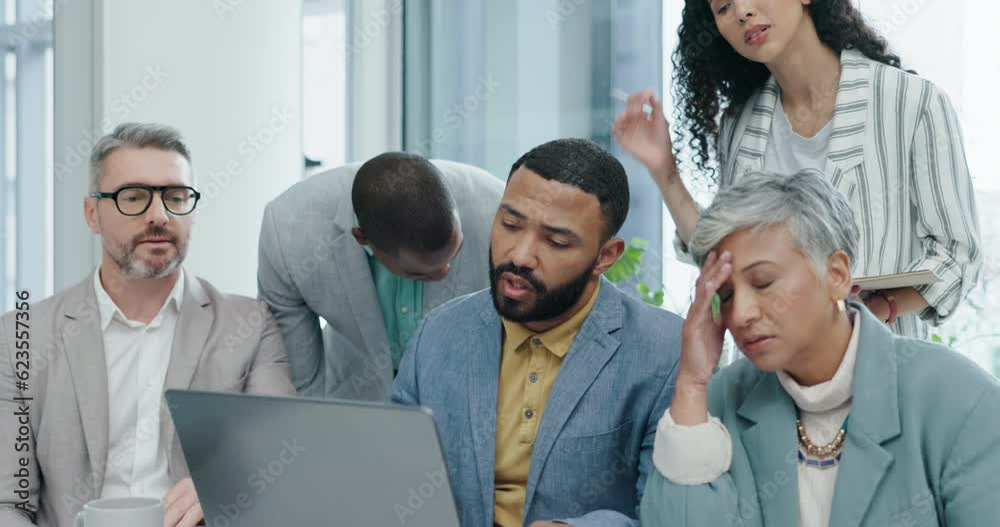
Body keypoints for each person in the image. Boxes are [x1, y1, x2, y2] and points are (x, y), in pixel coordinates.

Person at [639, 170, 1000, 526]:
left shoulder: (960, 399)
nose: (742, 313)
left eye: (763, 282)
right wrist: (691, 386)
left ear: (837, 275)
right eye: (726, 295)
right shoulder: (715, 405)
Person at [614, 0, 982, 338]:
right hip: (767, 369)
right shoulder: (739, 126)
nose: (742, 11)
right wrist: (665, 170)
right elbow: (722, 257)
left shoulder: (912, 103)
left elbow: (958, 256)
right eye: (723, 7)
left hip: (879, 361)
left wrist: (876, 310)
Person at [0, 123, 295, 527]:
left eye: (176, 197)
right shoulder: (20, 336)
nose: (159, 215)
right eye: (133, 197)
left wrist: (225, 486)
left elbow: (281, 464)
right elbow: (7, 502)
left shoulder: (250, 326)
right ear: (92, 214)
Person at [392, 139, 683, 526]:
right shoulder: (438, 334)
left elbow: (674, 516)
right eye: (510, 225)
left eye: (556, 242)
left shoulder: (665, 352)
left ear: (606, 256)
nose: (519, 255)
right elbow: (394, 481)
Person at [258, 153, 503, 400]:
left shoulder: (497, 211)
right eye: (419, 273)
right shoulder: (289, 234)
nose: (444, 272)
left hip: (469, 391)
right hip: (356, 390)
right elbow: (297, 381)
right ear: (362, 237)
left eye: (455, 252)